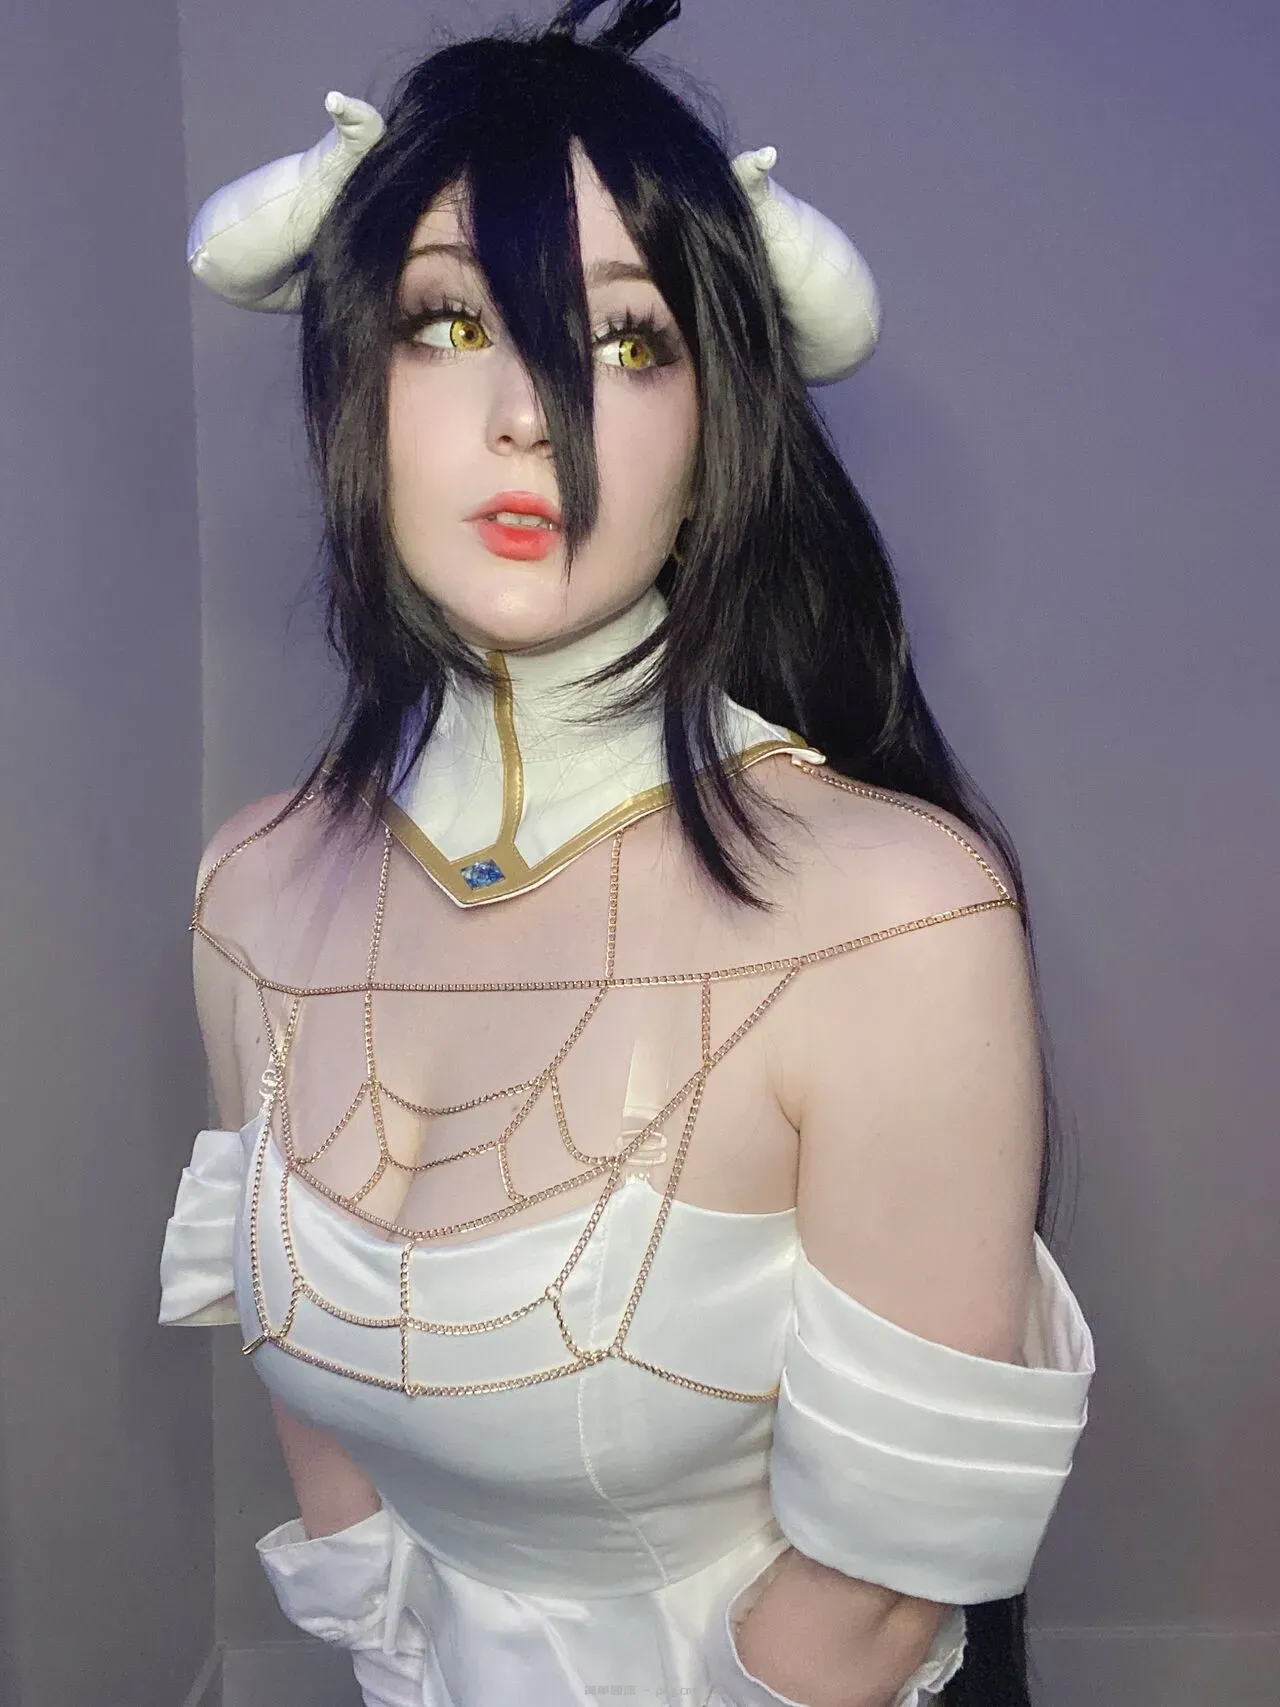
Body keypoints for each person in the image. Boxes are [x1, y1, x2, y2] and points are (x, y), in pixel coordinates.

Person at [158, 5, 1096, 1705]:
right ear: (355, 376)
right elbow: (331, 1461)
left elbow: (875, 1596)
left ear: (716, 421)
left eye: (628, 340)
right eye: (450, 321)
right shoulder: (252, 894)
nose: (532, 411)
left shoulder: (897, 913)